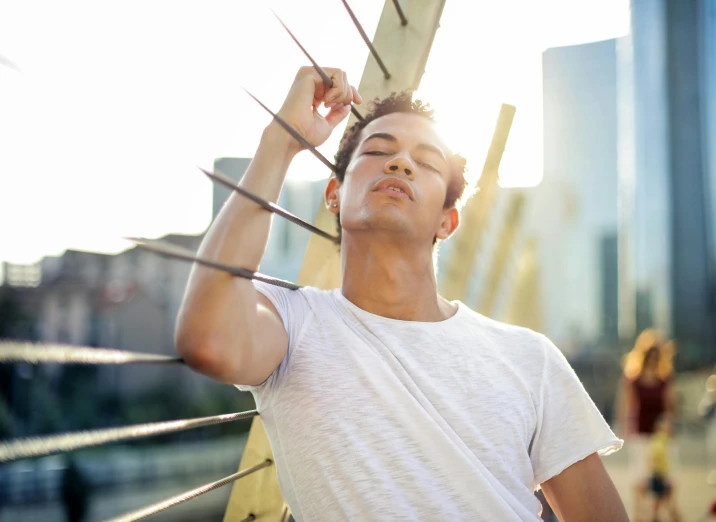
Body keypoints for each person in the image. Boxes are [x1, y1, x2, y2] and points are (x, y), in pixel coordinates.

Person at [176, 66, 627, 521]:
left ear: (447, 222)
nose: (400, 163)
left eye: (426, 162)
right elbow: (208, 341)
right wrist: (281, 138)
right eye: (377, 151)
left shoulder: (531, 358)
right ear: (334, 193)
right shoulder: (294, 326)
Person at [617, 329, 681, 522]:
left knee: (667, 478)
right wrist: (623, 430)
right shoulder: (633, 381)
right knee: (640, 479)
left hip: (661, 437)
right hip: (640, 435)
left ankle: (658, 514)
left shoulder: (665, 381)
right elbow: (625, 408)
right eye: (650, 357)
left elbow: (670, 408)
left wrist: (668, 423)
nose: (653, 360)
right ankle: (639, 516)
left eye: (656, 357)